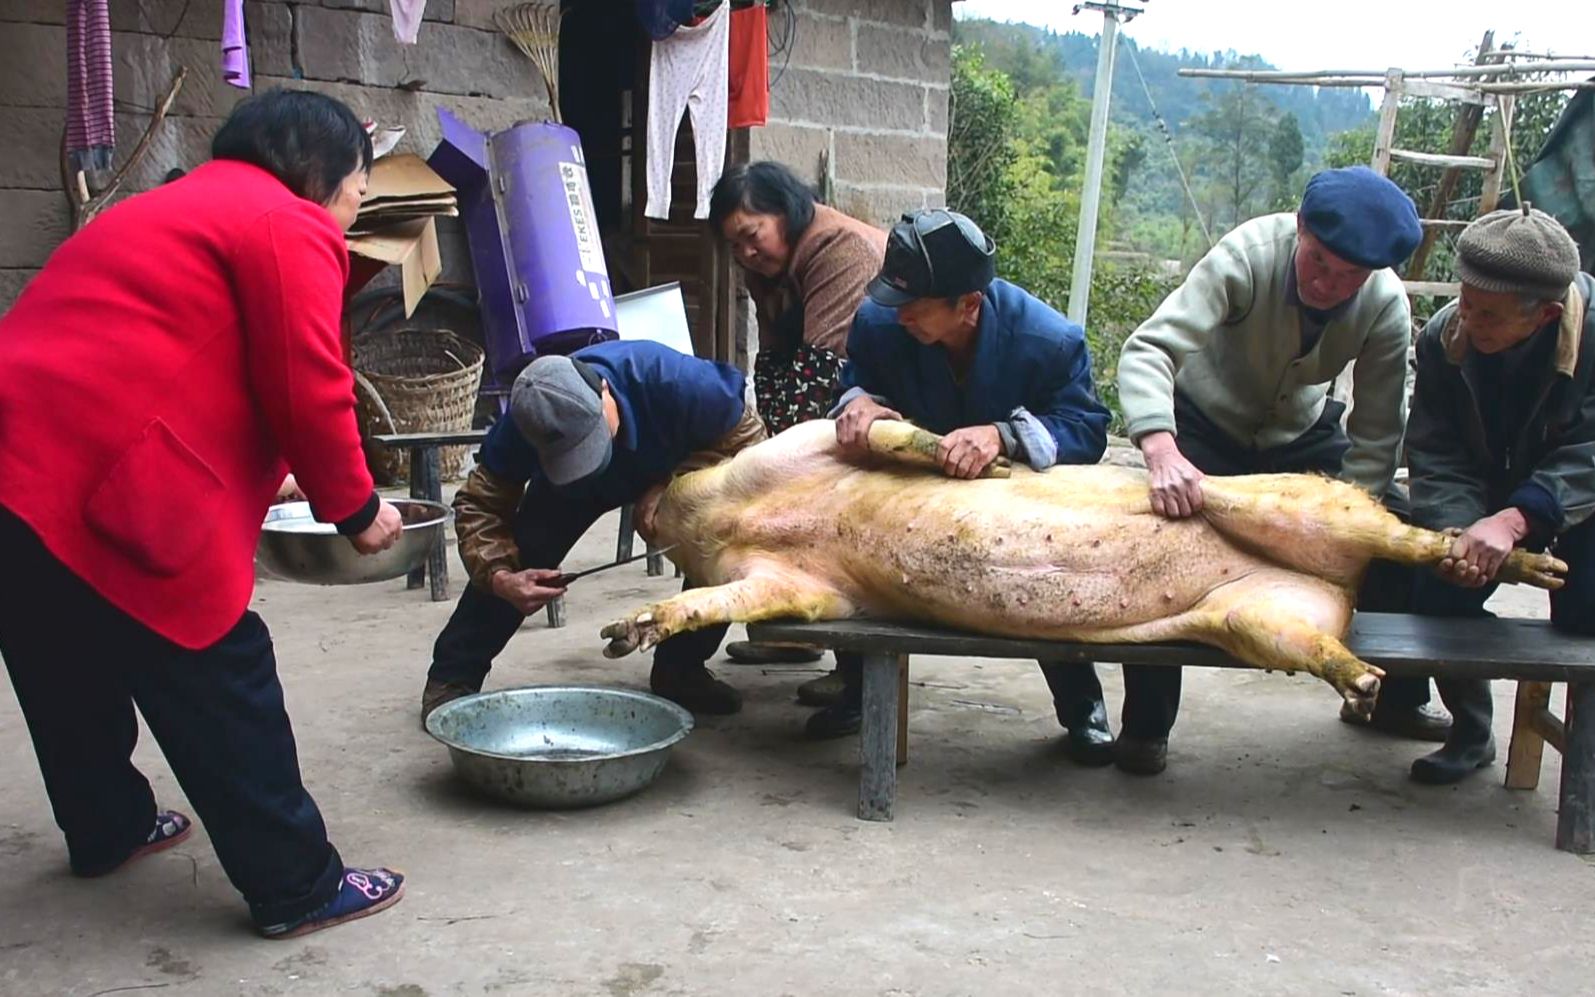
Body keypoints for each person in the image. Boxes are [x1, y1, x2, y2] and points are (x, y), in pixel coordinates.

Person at [0, 89, 407, 938]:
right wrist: (354, 504)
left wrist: (278, 473)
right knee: (219, 669)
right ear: (319, 172)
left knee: (60, 654)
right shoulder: (283, 220)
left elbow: (175, 360)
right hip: (101, 480)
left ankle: (107, 827)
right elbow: (307, 376)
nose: (349, 214)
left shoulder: (164, 210)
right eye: (357, 194)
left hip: (14, 471)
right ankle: (296, 884)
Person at [1114, 165, 1428, 775]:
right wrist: (1160, 449)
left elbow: (1378, 430)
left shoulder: (1386, 304)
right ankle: (1146, 729)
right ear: (1300, 227)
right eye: (1317, 263)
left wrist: (1352, 521)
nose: (1328, 285)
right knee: (1164, 551)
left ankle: (1393, 700)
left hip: (1297, 435)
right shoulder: (1247, 255)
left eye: (1348, 277)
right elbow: (1150, 349)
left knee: (1392, 537)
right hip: (1203, 425)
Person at [816, 208, 1113, 748]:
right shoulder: (879, 322)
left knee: (1041, 582)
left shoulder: (1051, 341)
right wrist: (860, 405)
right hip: (911, 486)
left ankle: (1081, 705)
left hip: (1014, 495)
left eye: (913, 305)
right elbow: (856, 380)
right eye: (892, 298)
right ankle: (860, 690)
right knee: (859, 554)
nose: (896, 312)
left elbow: (1086, 431)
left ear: (968, 304)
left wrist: (1002, 435)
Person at [420, 340, 766, 722]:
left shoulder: (681, 384)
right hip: (567, 490)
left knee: (719, 547)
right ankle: (453, 676)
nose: (589, 457)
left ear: (604, 391)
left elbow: (751, 446)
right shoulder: (526, 421)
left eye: (590, 442)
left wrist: (674, 486)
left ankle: (681, 671)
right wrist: (500, 577)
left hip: (670, 462)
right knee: (524, 553)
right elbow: (479, 504)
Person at [1405, 207, 1595, 783]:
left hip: (1580, 492)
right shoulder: (1446, 337)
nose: (1468, 320)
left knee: (1587, 614)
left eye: (1487, 315)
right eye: (1464, 300)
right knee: (1440, 587)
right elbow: (1436, 448)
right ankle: (1471, 731)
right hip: (1489, 479)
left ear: (1546, 315)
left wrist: (1517, 519)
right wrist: (1460, 528)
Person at [708, 161, 886, 702]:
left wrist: (785, 454)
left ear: (785, 212)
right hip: (825, 398)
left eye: (750, 236)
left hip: (872, 405)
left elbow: (821, 368)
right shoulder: (767, 266)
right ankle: (792, 636)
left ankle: (861, 682)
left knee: (844, 528)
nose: (745, 254)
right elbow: (774, 363)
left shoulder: (840, 249)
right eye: (733, 246)